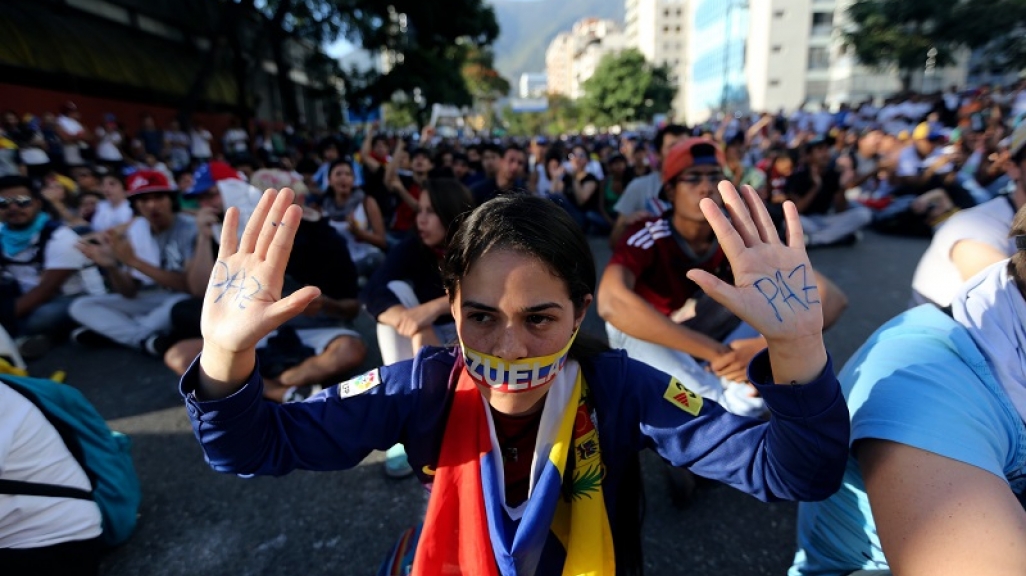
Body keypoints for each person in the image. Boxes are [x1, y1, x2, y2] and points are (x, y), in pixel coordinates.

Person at [180, 182, 850, 575]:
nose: (510, 348)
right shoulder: (418, 387)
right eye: (479, 317)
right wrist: (225, 354)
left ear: (581, 310)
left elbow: (799, 473)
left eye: (539, 319)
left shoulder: (622, 388)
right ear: (452, 304)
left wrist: (795, 347)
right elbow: (247, 448)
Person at [790, 204, 1026, 576]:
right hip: (862, 567)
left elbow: (831, 297)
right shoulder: (974, 224)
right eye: (693, 178)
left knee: (857, 214)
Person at [598, 138, 848, 418]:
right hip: (661, 337)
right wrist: (718, 354)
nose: (705, 187)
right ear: (670, 191)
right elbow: (610, 301)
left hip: (709, 328)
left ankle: (727, 400)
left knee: (776, 302)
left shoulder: (734, 235)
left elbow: (831, 297)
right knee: (622, 326)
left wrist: (762, 347)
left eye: (715, 177)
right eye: (692, 179)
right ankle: (726, 406)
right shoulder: (650, 232)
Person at [362, 178, 474, 478]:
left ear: (451, 213)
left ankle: (427, 405)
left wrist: (433, 307)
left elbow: (486, 294)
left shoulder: (478, 245)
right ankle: (412, 408)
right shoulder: (416, 244)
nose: (420, 219)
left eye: (430, 211)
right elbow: (374, 289)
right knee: (394, 294)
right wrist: (406, 319)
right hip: (428, 339)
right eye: (419, 210)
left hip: (472, 336)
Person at [70, 170, 196, 355]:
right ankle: (144, 338)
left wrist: (135, 262)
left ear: (171, 199)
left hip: (183, 300)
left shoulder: (188, 228)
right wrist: (111, 266)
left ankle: (114, 332)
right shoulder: (138, 229)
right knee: (80, 306)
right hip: (152, 297)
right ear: (136, 205)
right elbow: (129, 291)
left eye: (159, 197)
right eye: (144, 200)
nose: (152, 205)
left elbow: (190, 287)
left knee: (173, 311)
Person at [0, 176, 104, 357]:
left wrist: (4, 316)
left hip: (67, 298)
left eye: (22, 201)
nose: (13, 208)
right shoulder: (3, 237)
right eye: (4, 203)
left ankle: (22, 339)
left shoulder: (59, 237)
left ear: (38, 203)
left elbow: (46, 289)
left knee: (39, 318)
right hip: (26, 297)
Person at [610, 124, 690, 247]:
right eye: (673, 146)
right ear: (658, 154)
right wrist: (627, 224)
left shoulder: (705, 189)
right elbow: (614, 242)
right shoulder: (638, 187)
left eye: (686, 146)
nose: (681, 152)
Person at [785, 137, 872, 247]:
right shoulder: (797, 177)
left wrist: (841, 186)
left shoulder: (832, 175)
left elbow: (840, 209)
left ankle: (814, 240)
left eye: (826, 150)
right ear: (808, 156)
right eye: (820, 150)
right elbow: (797, 210)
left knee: (863, 214)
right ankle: (837, 236)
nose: (825, 154)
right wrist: (816, 187)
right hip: (807, 221)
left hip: (826, 219)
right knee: (788, 223)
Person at [320, 158, 387, 277]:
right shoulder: (323, 207)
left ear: (354, 180)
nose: (343, 178)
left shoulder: (367, 202)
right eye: (338, 174)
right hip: (338, 261)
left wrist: (359, 233)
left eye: (348, 174)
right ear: (330, 180)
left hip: (367, 258)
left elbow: (382, 241)